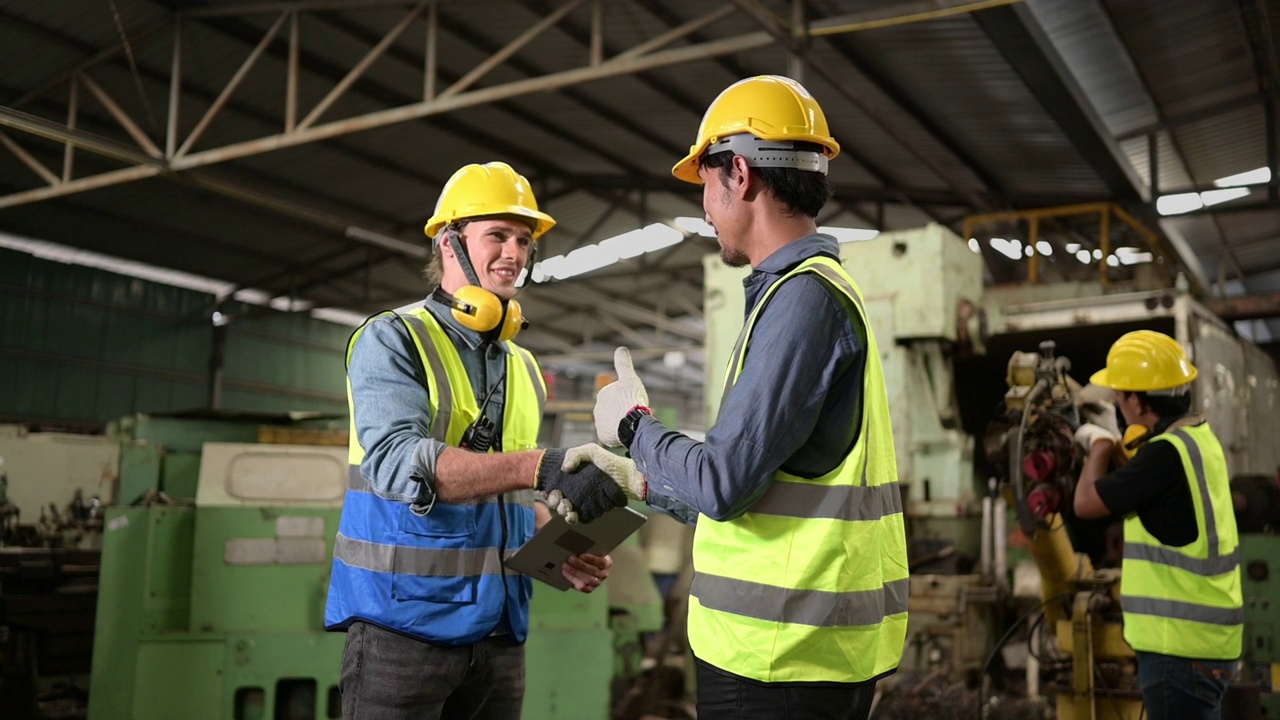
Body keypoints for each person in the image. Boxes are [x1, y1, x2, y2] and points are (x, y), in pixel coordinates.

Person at [570, 75, 909, 720]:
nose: (701, 204)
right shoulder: (791, 298)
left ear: (740, 174)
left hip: (781, 660)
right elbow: (758, 489)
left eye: (703, 180)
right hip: (790, 652)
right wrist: (640, 481)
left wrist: (635, 427)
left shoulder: (804, 301)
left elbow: (723, 481)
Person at [324, 161, 628, 720]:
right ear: (449, 243)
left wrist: (560, 549)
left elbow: (508, 497)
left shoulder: (525, 366)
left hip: (500, 631)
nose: (514, 253)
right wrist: (541, 466)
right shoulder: (392, 338)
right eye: (497, 236)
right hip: (403, 630)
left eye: (523, 240)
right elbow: (396, 464)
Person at [1072, 330, 1242, 720]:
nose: (1116, 402)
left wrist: (1099, 446)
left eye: (1118, 394)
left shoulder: (1162, 457)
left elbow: (1085, 503)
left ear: (1135, 400)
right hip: (1210, 643)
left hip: (1177, 651)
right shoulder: (1199, 439)